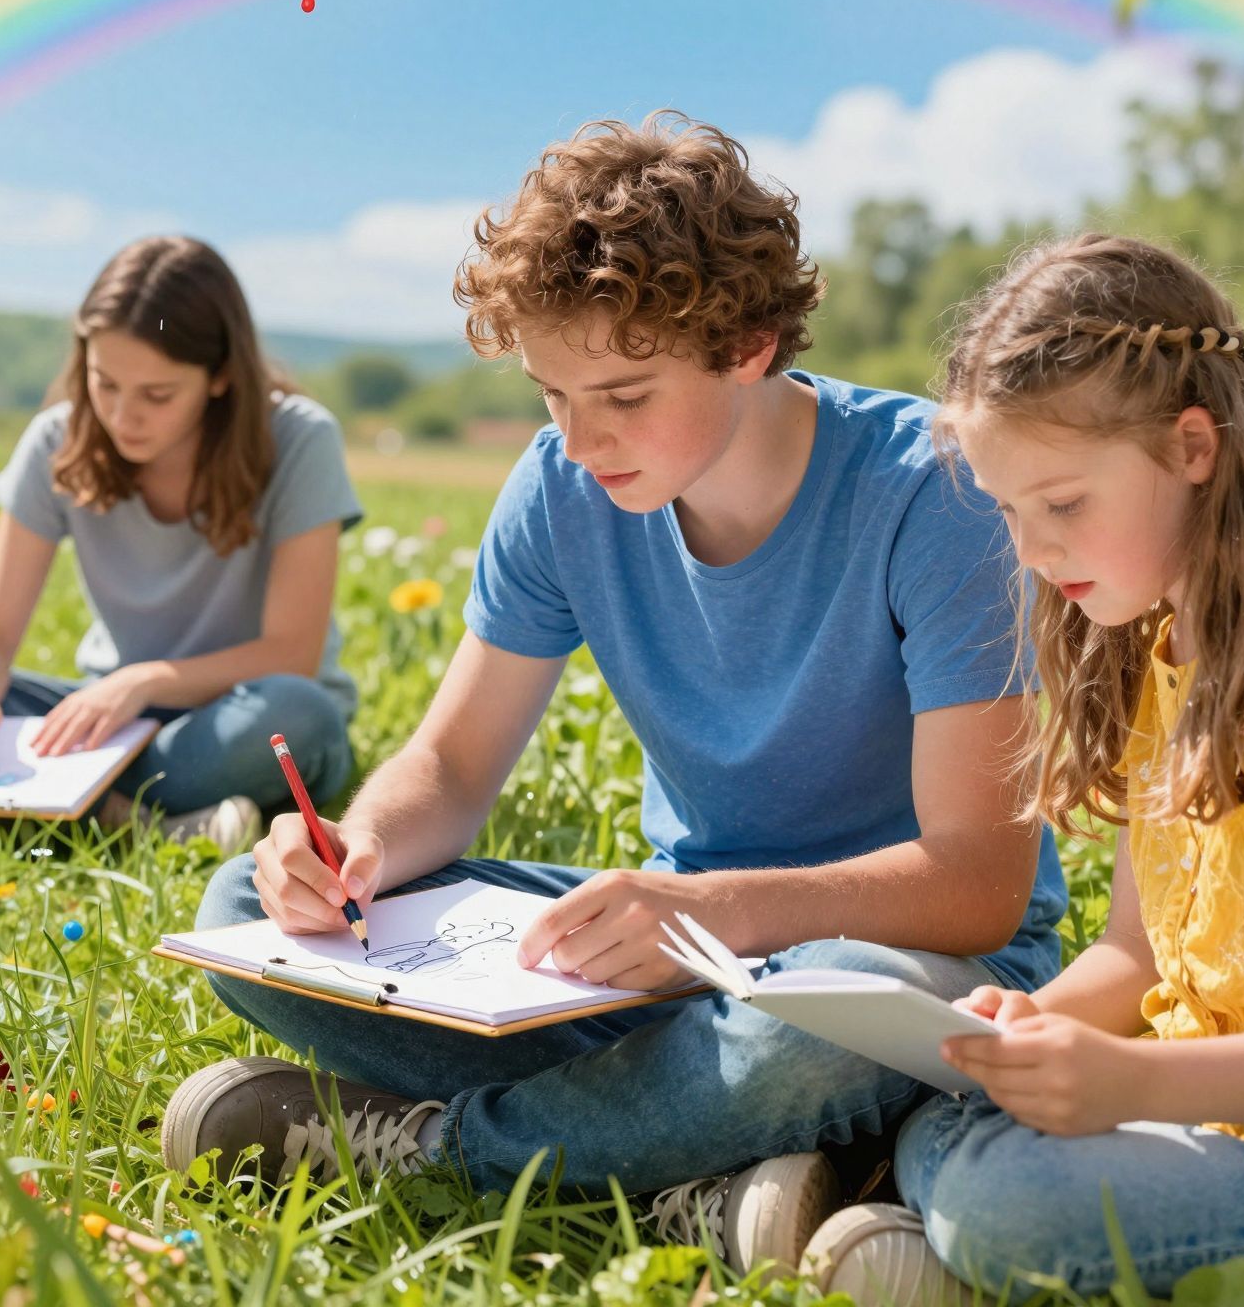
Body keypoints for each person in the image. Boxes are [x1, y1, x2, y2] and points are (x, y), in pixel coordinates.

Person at [161, 114, 1064, 1274]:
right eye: (550, 394)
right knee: (247, 901)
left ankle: (435, 1152)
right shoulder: (558, 489)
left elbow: (978, 888)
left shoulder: (933, 496)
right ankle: (701, 1165)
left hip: (891, 971)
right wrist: (356, 847)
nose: (580, 442)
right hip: (668, 960)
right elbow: (448, 766)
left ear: (747, 342)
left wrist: (716, 917)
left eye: (624, 396)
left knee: (820, 1028)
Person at [803, 235, 1244, 1304]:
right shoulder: (1163, 661)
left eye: (1059, 504)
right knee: (952, 1109)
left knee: (1013, 1210)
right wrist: (1027, 1030)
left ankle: (926, 1239)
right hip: (1194, 1112)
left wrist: (1135, 1080)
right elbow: (1134, 954)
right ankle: (923, 1234)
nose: (1033, 551)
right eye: (1009, 514)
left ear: (1191, 446)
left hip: (1211, 1117)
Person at [0, 236, 361, 857]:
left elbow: (293, 654)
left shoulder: (300, 440)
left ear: (222, 375)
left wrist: (142, 682)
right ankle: (141, 820)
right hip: (106, 720)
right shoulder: (55, 443)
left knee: (297, 714)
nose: (123, 416)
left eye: (158, 395)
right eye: (105, 383)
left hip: (236, 712)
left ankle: (15, 812)